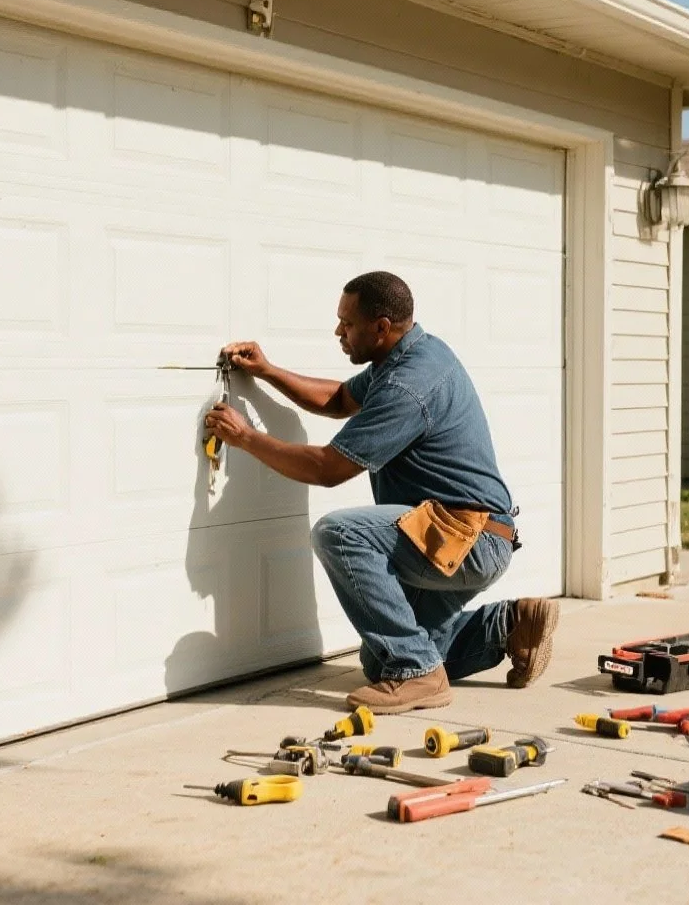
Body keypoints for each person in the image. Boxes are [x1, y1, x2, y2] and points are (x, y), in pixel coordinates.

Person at [203, 271, 559, 713]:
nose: (338, 332)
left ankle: (418, 673)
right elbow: (337, 400)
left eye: (346, 324)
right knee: (378, 660)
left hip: (466, 539)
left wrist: (246, 438)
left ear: (381, 327)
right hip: (460, 533)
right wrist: (269, 371)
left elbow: (328, 468)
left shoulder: (407, 387)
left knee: (339, 533)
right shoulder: (411, 355)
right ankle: (508, 626)